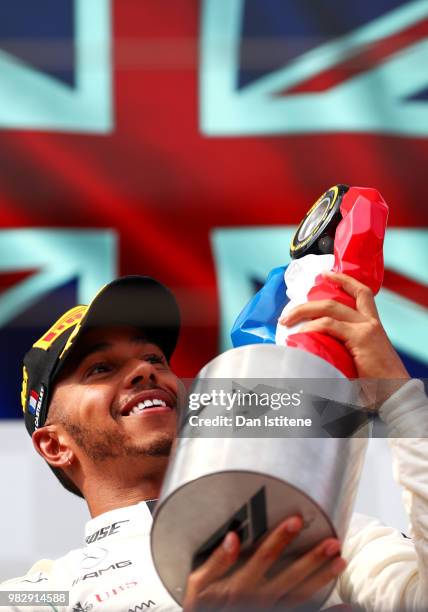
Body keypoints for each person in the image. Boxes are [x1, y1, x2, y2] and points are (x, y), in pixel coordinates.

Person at [0, 273, 427, 611]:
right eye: (100, 368)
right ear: (54, 445)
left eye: (153, 359)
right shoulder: (39, 595)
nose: (145, 372)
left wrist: (400, 399)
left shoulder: (313, 526)